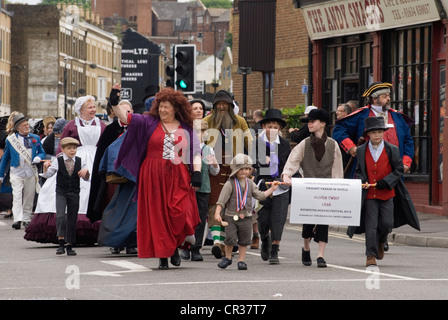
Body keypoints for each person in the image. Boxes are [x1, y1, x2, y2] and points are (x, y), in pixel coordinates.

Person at [110, 84, 202, 270]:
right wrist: (114, 101)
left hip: (178, 174)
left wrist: (198, 172)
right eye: (160, 106)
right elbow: (125, 118)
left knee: (179, 212)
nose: (162, 110)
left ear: (176, 108)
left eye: (166, 107)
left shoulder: (186, 127)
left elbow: (195, 152)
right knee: (158, 216)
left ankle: (174, 245)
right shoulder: (148, 122)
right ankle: (163, 256)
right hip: (152, 174)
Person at [25, 95, 106, 244]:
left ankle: (92, 230)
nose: (93, 109)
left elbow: (106, 144)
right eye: (90, 107)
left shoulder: (101, 125)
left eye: (94, 107)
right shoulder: (71, 125)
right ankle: (66, 233)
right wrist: (56, 162)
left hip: (96, 160)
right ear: (81, 110)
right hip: (75, 159)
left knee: (92, 193)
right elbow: (62, 147)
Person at [350, 116, 420, 267]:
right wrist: (363, 181)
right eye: (374, 132)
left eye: (380, 132)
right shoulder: (361, 150)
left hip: (387, 193)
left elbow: (399, 169)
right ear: (368, 134)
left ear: (383, 133)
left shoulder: (392, 149)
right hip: (369, 194)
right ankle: (370, 255)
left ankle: (382, 239)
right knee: (371, 225)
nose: (377, 135)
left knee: (387, 223)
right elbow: (359, 171)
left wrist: (386, 181)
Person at [282, 109, 343, 268]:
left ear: (322, 124)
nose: (309, 124)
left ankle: (321, 255)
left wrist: (338, 187)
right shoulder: (304, 144)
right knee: (308, 223)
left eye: (312, 121)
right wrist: (286, 175)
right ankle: (306, 246)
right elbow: (293, 161)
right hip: (307, 190)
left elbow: (337, 169)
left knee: (323, 222)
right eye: (308, 121)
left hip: (326, 190)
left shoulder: (333, 144)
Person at [203, 89, 253, 259]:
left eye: (225, 104)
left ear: (231, 107)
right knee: (214, 205)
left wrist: (252, 162)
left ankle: (224, 244)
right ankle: (217, 242)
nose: (222, 107)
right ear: (215, 107)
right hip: (213, 169)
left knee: (231, 207)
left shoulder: (239, 121)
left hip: (234, 170)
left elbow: (249, 141)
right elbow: (196, 141)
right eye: (219, 104)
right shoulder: (206, 121)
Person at [332, 81, 414, 178]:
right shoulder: (361, 115)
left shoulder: (397, 116)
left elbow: (408, 141)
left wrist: (406, 163)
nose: (389, 99)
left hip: (394, 170)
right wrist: (351, 148)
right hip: (367, 169)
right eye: (385, 96)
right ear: (374, 99)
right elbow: (339, 129)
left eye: (389, 96)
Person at [87, 99, 137, 255]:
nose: (126, 114)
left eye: (128, 111)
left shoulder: (138, 129)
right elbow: (103, 154)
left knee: (133, 213)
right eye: (122, 111)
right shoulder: (111, 130)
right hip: (115, 179)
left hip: (135, 178)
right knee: (115, 209)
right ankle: (115, 242)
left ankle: (131, 242)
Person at [215, 154, 278, 270]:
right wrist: (217, 213)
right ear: (235, 169)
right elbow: (221, 200)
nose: (245, 171)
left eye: (248, 169)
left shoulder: (251, 184)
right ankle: (228, 258)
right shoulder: (230, 184)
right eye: (242, 169)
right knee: (230, 238)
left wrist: (272, 189)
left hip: (247, 217)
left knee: (244, 240)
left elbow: (260, 195)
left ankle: (241, 260)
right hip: (231, 216)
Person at [252, 108, 291, 264]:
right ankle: (265, 239)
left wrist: (289, 178)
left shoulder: (285, 144)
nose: (272, 129)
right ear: (264, 127)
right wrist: (263, 161)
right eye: (269, 126)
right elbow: (253, 164)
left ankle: (275, 250)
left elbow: (288, 164)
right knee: (264, 219)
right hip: (264, 186)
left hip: (280, 186)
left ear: (280, 129)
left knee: (279, 218)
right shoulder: (258, 143)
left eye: (275, 127)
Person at [40, 137, 90, 256]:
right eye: (69, 148)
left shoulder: (80, 160)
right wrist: (46, 167)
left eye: (74, 148)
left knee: (72, 218)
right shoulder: (58, 160)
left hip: (74, 192)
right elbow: (48, 174)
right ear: (62, 149)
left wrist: (86, 172)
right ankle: (61, 242)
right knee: (61, 216)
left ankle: (70, 245)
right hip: (61, 191)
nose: (72, 151)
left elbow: (86, 177)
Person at [181, 120, 220, 261]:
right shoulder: (185, 149)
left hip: (203, 189)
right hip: (187, 189)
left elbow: (215, 172)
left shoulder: (209, 150)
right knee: (186, 218)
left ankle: (196, 248)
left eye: (199, 132)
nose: (197, 135)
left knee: (200, 220)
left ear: (204, 134)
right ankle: (185, 247)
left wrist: (214, 164)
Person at [0, 113, 46, 229]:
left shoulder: (35, 138)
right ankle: (17, 219)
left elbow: (42, 152)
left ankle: (26, 219)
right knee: (16, 195)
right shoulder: (11, 140)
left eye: (27, 125)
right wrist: (1, 175)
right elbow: (5, 158)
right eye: (24, 125)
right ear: (18, 127)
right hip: (16, 171)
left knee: (29, 196)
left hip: (30, 171)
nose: (27, 127)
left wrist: (39, 157)